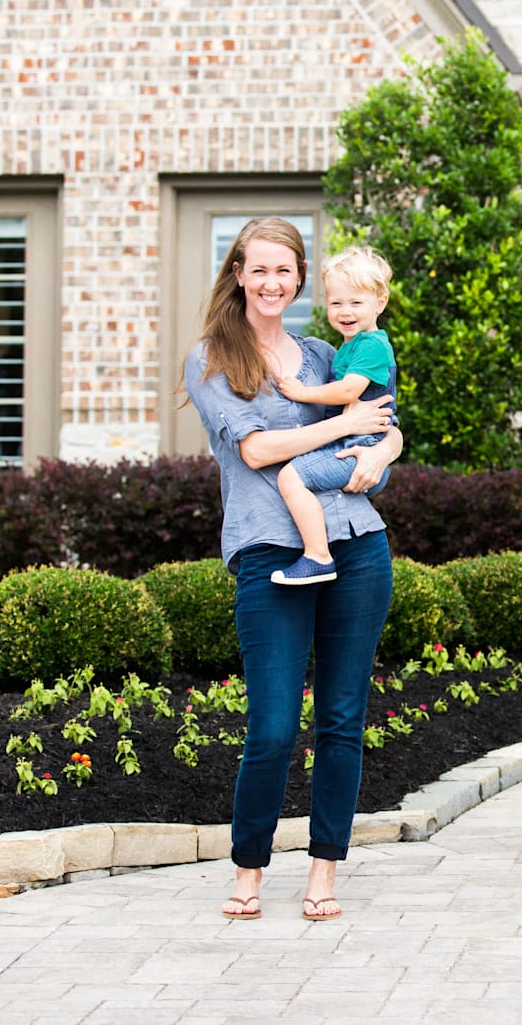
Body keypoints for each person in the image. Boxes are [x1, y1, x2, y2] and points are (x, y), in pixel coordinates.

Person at [181, 216, 400, 923]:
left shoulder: (320, 353)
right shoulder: (213, 359)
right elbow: (256, 452)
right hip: (270, 554)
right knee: (272, 727)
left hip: (357, 545)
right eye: (259, 269)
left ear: (299, 279)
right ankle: (249, 872)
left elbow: (382, 420)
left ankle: (324, 875)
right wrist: (346, 429)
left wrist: (384, 450)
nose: (272, 282)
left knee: (341, 720)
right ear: (238, 274)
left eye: (286, 271)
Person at [269, 246, 399, 586]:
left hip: (360, 447)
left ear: (379, 302)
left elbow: (347, 393)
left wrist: (301, 392)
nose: (345, 311)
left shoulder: (371, 346)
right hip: (355, 445)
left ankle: (318, 556)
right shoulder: (348, 347)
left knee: (291, 477)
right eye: (336, 303)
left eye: (356, 303)